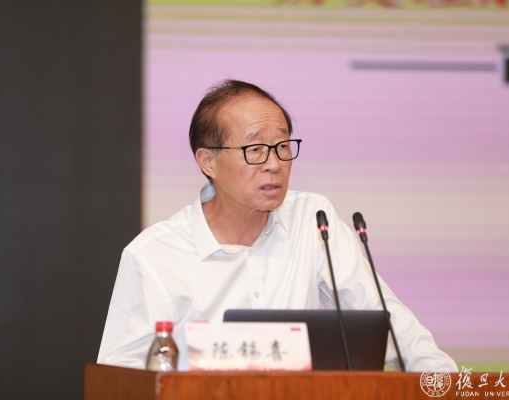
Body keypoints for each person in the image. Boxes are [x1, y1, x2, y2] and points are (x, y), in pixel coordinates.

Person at [97, 79, 457, 372]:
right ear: (208, 161)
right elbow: (119, 375)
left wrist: (447, 383)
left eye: (283, 145)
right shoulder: (154, 255)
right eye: (255, 149)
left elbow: (384, 317)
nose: (274, 163)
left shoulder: (313, 219)